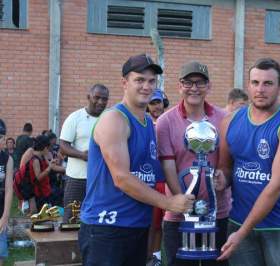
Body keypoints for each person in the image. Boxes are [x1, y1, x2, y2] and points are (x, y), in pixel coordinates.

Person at [79, 54, 194, 266]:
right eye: (139, 80)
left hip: (137, 227)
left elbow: (154, 175)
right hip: (107, 229)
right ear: (124, 83)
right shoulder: (115, 119)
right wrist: (169, 203)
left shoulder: (149, 124)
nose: (146, 86)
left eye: (151, 81)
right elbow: (122, 178)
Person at [214, 58, 280, 266]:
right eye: (255, 83)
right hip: (238, 220)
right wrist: (220, 180)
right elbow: (226, 168)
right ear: (248, 85)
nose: (260, 89)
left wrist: (241, 233)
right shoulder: (230, 121)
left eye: (268, 83)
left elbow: (277, 184)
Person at [157, 61, 231, 266]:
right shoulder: (165, 121)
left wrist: (223, 178)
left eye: (200, 82)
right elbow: (168, 165)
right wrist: (181, 200)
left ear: (209, 86)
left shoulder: (224, 119)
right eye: (188, 83)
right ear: (180, 86)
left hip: (218, 212)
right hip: (178, 214)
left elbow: (227, 162)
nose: (194, 88)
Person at [60, 84, 109, 223]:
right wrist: (83, 155)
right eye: (97, 97)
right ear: (88, 97)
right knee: (71, 218)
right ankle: (70, 245)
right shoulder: (75, 118)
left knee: (100, 217)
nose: (100, 102)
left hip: (103, 178)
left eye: (104, 99)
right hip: (77, 178)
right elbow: (63, 146)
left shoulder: (110, 118)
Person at [147, 88, 168, 266]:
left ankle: (159, 256)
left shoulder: (169, 122)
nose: (156, 106)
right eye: (152, 103)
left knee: (166, 223)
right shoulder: (144, 123)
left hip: (167, 180)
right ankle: (150, 257)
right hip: (151, 181)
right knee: (151, 224)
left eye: (158, 102)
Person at [0, 120, 14, 266]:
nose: (2, 140)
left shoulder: (7, 159)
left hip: (0, 208)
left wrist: (5, 216)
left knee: (0, 251)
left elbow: (9, 188)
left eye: (2, 137)